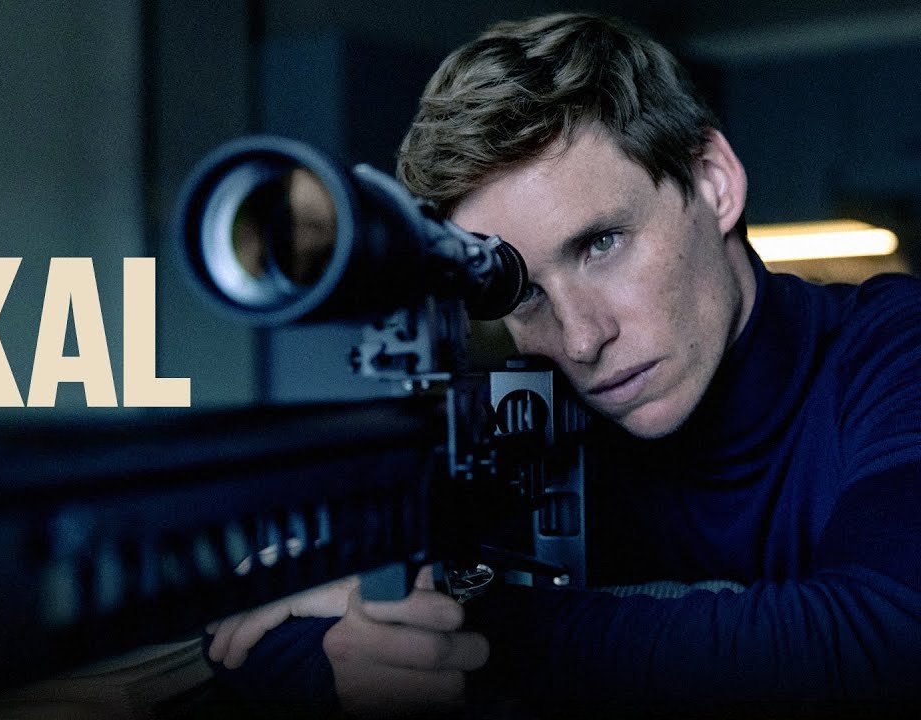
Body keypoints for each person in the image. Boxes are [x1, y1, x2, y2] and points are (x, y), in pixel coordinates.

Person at [202, 12, 921, 718]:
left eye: (601, 244)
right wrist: (372, 639)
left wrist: (470, 623)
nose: (580, 339)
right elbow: (257, 636)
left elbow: (888, 644)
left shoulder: (895, 348)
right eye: (523, 291)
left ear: (713, 181)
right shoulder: (524, 426)